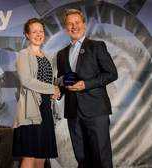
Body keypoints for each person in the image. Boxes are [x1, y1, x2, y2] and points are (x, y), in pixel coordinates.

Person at [56, 9, 118, 168]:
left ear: (84, 25)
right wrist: (57, 91)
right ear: (66, 28)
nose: (74, 26)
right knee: (81, 158)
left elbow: (111, 74)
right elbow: (63, 81)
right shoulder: (61, 54)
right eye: (70, 24)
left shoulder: (97, 46)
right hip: (73, 111)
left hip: (95, 109)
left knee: (101, 157)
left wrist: (85, 84)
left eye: (77, 23)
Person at [12, 18, 60, 168]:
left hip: (46, 108)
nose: (38, 35)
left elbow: (49, 82)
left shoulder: (48, 57)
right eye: (34, 31)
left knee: (42, 158)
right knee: (30, 156)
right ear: (27, 34)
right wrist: (52, 89)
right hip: (30, 110)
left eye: (41, 31)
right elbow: (26, 80)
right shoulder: (23, 54)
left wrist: (55, 90)